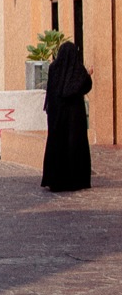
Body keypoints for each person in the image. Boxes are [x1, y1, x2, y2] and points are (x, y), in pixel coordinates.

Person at [41, 41, 93, 193]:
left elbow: (52, 91)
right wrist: (88, 75)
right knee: (74, 145)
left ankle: (55, 180)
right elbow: (83, 86)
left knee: (57, 144)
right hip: (74, 118)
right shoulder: (78, 70)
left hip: (57, 116)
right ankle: (75, 180)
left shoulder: (53, 68)